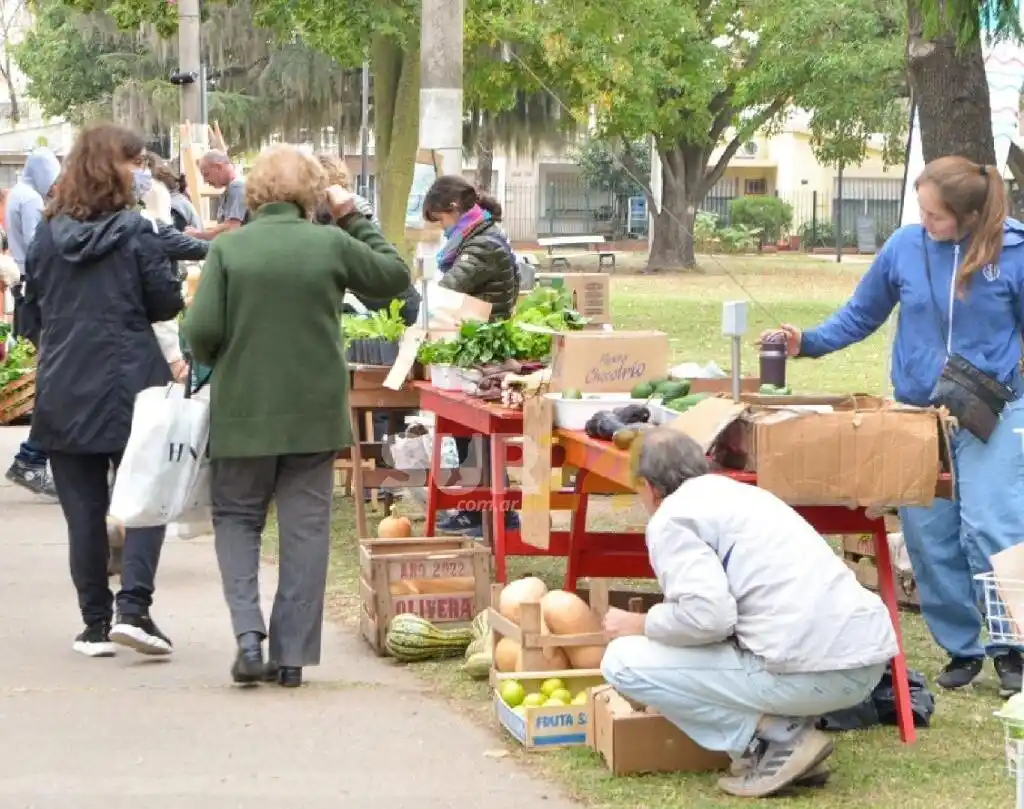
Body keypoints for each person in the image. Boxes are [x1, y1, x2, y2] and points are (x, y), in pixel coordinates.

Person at [762, 155, 1024, 697]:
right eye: (922, 211)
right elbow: (861, 315)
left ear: (970, 215)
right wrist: (806, 342)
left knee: (991, 523)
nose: (924, 223)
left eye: (935, 216)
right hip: (917, 412)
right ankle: (963, 646)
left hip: (993, 412)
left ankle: (1012, 648)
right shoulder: (904, 247)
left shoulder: (1013, 251)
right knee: (929, 535)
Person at [182, 144, 412, 688]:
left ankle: (247, 636)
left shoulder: (230, 251)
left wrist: (227, 361)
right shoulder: (330, 243)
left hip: (243, 412)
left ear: (256, 192)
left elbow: (200, 334)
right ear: (314, 192)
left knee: (237, 520)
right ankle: (292, 657)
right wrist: (353, 215)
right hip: (314, 414)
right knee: (305, 530)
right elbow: (394, 278)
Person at [600, 429, 897, 798]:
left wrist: (639, 624)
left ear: (648, 486)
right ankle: (779, 736)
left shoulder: (671, 519)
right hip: (865, 664)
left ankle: (778, 736)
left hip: (810, 669)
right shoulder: (745, 495)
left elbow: (708, 618)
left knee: (622, 661)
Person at [19, 123, 184, 658]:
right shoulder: (137, 232)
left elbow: (31, 313)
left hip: (65, 382)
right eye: (136, 162)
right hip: (133, 380)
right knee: (145, 500)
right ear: (119, 167)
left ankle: (93, 624)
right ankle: (133, 609)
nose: (141, 172)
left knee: (83, 513)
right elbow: (163, 302)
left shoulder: (47, 233)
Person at [421, 175, 520, 538]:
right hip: (473, 345)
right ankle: (475, 510)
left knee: (477, 434)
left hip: (485, 349)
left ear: (454, 209)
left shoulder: (483, 245)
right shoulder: (477, 237)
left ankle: (496, 513)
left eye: (441, 220)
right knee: (467, 433)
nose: (441, 229)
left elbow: (449, 288)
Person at [4, 147, 61, 498]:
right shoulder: (29, 200)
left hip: (30, 293)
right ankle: (32, 458)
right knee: (53, 379)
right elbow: (40, 247)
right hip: (38, 295)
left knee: (52, 377)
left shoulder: (19, 194)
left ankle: (35, 457)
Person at [187, 150, 246, 239]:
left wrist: (198, 235)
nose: (206, 181)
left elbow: (231, 227)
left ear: (218, 167)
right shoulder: (232, 188)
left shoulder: (237, 188)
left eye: (206, 174)